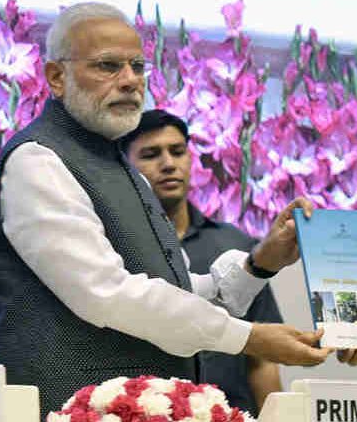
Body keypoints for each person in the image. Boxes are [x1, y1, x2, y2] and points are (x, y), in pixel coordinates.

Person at [0, 2, 357, 417]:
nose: (130, 81)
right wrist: (248, 337)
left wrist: (260, 263)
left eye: (137, 66)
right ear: (56, 77)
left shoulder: (124, 171)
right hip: (70, 409)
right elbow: (106, 294)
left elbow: (176, 291)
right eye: (108, 66)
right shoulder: (37, 160)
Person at [120, 110, 284, 416]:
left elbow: (262, 356)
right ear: (126, 168)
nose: (168, 164)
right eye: (151, 154)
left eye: (178, 151)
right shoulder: (117, 251)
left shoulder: (237, 246)